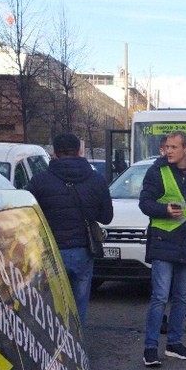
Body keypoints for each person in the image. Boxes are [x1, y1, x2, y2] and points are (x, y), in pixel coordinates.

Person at [139, 131, 186, 367]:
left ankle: (174, 344)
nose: (168, 151)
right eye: (166, 147)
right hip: (164, 240)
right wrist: (164, 211)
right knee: (160, 297)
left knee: (182, 297)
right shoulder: (157, 171)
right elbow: (145, 202)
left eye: (173, 147)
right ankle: (150, 348)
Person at [27, 133, 113, 327]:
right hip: (83, 250)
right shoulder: (96, 180)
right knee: (79, 304)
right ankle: (76, 348)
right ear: (80, 151)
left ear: (53, 153)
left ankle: (54, 348)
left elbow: (27, 216)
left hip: (51, 251)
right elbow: (107, 217)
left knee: (52, 305)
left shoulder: (39, 181)